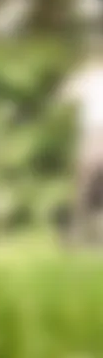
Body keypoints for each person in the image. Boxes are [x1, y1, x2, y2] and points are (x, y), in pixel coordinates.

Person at [60, 52, 103, 245]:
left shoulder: (88, 76)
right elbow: (65, 95)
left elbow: (64, 96)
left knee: (86, 184)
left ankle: (81, 233)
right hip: (93, 132)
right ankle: (82, 234)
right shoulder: (88, 76)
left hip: (94, 133)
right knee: (87, 184)